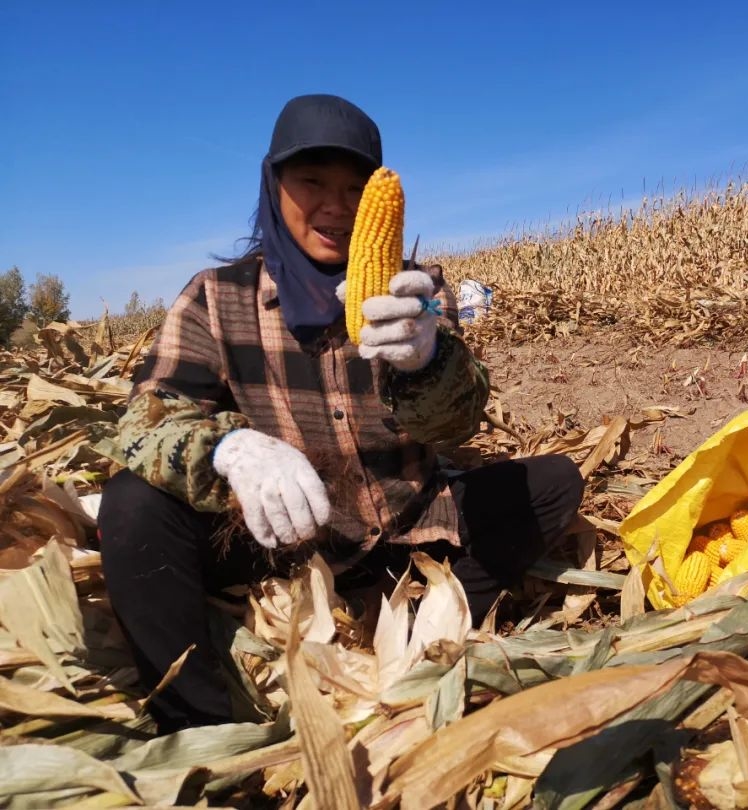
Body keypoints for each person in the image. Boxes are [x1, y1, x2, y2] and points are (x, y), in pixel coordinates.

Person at [97, 94, 585, 733]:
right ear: (274, 186)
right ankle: (200, 727)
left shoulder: (418, 294)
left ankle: (424, 628)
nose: (337, 206)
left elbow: (457, 425)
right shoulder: (217, 299)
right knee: (133, 502)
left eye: (358, 188)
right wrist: (232, 449)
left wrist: (428, 361)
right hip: (284, 545)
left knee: (552, 483)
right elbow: (144, 421)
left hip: (405, 535)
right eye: (313, 182)